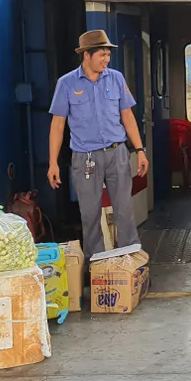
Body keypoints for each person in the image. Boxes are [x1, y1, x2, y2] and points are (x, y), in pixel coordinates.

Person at [47, 30, 150, 275]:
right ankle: (98, 267)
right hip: (85, 158)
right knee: (90, 214)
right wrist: (53, 163)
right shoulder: (67, 84)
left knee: (124, 209)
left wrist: (140, 150)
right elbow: (58, 125)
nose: (106, 60)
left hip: (117, 154)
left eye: (107, 55)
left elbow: (127, 116)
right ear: (86, 55)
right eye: (102, 55)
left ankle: (130, 263)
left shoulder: (115, 79)